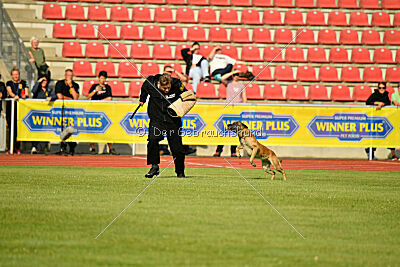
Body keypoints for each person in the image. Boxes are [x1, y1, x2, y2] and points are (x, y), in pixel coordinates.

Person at [139, 73, 187, 178]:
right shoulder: (150, 83)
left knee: (177, 148)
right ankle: (154, 166)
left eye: (168, 88)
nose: (166, 90)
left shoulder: (177, 84)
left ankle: (180, 171)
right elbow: (144, 88)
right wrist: (142, 99)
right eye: (164, 88)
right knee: (152, 140)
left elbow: (187, 95)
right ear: (159, 83)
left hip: (173, 119)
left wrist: (183, 107)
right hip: (157, 118)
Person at [164, 66, 197, 156]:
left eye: (170, 72)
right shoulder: (160, 82)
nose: (169, 74)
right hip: (164, 112)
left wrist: (174, 71)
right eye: (167, 72)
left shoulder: (176, 83)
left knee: (177, 132)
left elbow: (184, 80)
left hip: (175, 112)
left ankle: (180, 150)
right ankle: (163, 149)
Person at [213, 70, 247, 157]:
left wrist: (243, 108)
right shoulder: (228, 83)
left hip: (237, 110)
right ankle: (219, 150)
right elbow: (222, 78)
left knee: (235, 131)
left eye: (237, 75)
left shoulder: (241, 85)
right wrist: (232, 72)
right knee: (224, 130)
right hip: (228, 110)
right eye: (235, 75)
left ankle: (233, 151)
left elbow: (244, 98)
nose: (236, 76)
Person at [86, 71, 118, 155]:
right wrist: (95, 91)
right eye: (101, 78)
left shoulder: (108, 87)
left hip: (104, 112)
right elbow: (88, 96)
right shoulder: (94, 86)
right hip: (94, 111)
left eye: (104, 78)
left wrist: (99, 101)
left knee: (107, 129)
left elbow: (109, 98)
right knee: (92, 129)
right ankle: (92, 148)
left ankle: (110, 148)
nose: (102, 80)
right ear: (98, 78)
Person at [55, 69, 79, 155]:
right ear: (65, 76)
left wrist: (71, 86)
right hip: (60, 110)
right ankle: (63, 147)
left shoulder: (75, 85)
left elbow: (75, 97)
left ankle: (72, 146)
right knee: (62, 128)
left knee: (70, 129)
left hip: (71, 111)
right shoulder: (59, 83)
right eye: (68, 76)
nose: (69, 77)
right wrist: (70, 98)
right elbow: (59, 97)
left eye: (71, 76)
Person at [365, 82, 391, 160]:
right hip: (374, 118)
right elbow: (368, 102)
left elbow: (388, 103)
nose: (381, 89)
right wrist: (377, 103)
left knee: (380, 137)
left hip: (383, 120)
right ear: (378, 88)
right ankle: (370, 152)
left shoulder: (386, 95)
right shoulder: (374, 95)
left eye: (383, 88)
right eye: (380, 88)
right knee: (374, 136)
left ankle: (393, 154)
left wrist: (382, 104)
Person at [5, 67, 29, 154]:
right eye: (14, 74)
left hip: (20, 109)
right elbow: (10, 92)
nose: (16, 76)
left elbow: (26, 93)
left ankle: (17, 147)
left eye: (17, 74)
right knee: (10, 128)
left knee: (18, 128)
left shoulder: (23, 82)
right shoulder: (9, 83)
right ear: (12, 75)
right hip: (11, 108)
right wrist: (14, 96)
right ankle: (10, 147)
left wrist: (24, 96)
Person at [31, 76, 56, 154]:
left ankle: (45, 146)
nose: (44, 82)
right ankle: (35, 146)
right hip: (37, 113)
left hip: (46, 114)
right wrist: (38, 82)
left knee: (46, 130)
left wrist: (51, 98)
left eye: (45, 81)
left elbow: (54, 96)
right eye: (43, 81)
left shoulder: (49, 90)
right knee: (36, 129)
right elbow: (33, 91)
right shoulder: (38, 90)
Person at [389, 83, 400, 160]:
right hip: (394, 118)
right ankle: (394, 155)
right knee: (392, 136)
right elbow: (396, 103)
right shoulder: (394, 95)